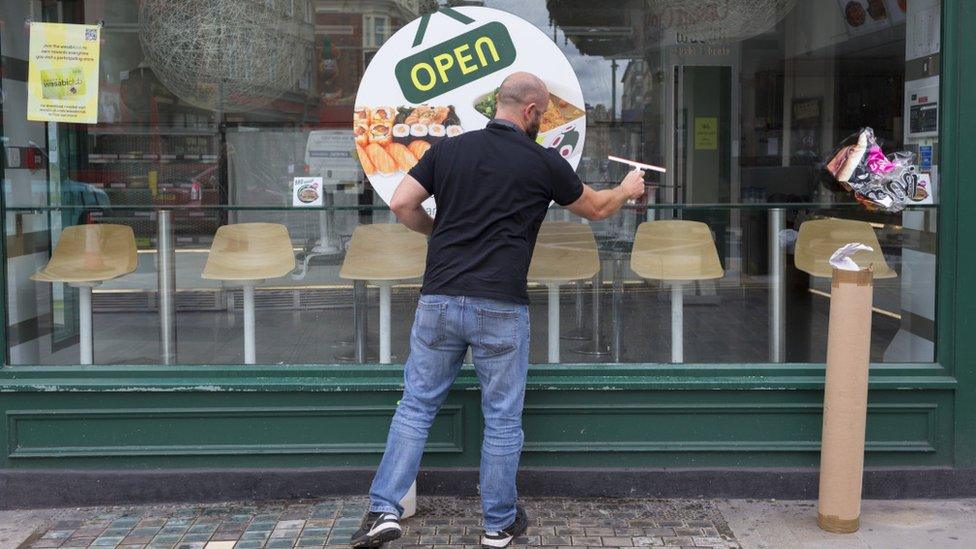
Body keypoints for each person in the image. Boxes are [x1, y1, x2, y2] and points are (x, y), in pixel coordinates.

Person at [351, 71, 645, 548]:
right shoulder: (542, 162)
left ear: (498, 105)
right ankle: (497, 524)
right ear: (530, 112)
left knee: (416, 406)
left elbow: (403, 202)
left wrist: (438, 234)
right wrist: (628, 188)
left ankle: (383, 511)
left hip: (440, 299)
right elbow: (595, 208)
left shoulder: (448, 150)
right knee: (503, 418)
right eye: (543, 114)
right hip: (500, 307)